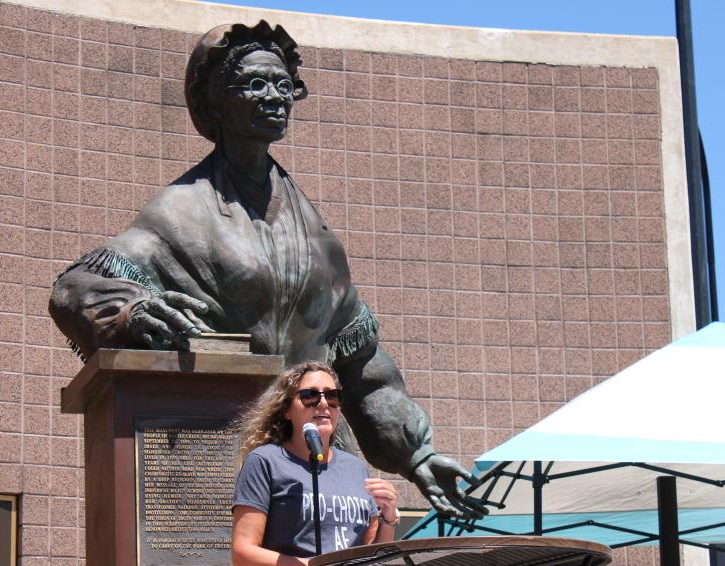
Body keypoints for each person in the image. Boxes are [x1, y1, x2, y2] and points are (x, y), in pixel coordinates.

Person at [48, 21, 484, 519]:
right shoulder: (180, 211)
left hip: (322, 456)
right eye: (254, 84)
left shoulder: (318, 237)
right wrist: (131, 311)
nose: (273, 97)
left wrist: (417, 453)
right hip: (223, 445)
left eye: (282, 85)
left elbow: (365, 366)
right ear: (216, 102)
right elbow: (79, 285)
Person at [232, 361, 398, 566]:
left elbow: (370, 555)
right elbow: (243, 553)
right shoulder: (266, 461)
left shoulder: (354, 467)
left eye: (332, 396)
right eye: (310, 396)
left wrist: (389, 517)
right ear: (286, 409)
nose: (323, 404)